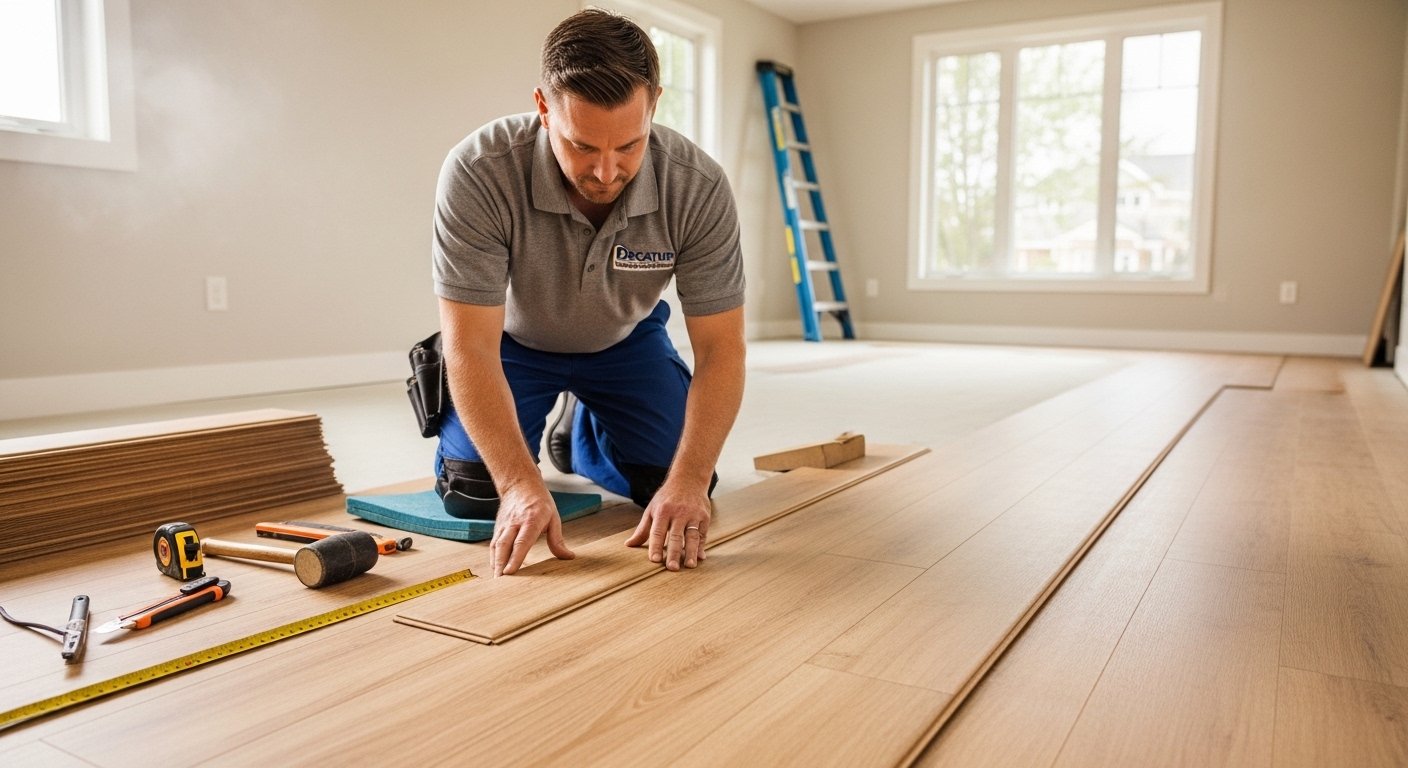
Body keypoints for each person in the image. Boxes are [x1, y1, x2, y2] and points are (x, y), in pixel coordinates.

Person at [428, 9, 746, 578]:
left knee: (672, 487)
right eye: (581, 146)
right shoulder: (478, 169)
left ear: (654, 105)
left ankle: (580, 437)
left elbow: (722, 349)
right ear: (543, 107)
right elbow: (469, 345)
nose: (605, 172)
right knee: (476, 494)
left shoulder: (698, 186)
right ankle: (524, 456)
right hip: (510, 345)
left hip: (627, 340)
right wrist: (518, 484)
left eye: (629, 145)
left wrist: (690, 481)